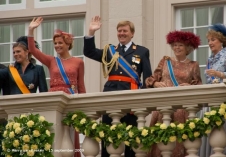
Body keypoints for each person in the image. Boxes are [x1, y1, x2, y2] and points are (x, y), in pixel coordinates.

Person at [83, 16, 152, 157]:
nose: (121, 33)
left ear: (132, 33)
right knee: (108, 136)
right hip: (111, 95)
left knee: (131, 140)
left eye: (125, 31)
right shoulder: (110, 51)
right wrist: (91, 33)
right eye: (119, 31)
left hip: (131, 96)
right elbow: (89, 52)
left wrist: (143, 101)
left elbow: (148, 79)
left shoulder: (141, 51)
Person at [27, 17, 85, 157]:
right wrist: (31, 30)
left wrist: (83, 108)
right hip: (53, 99)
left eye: (60, 43)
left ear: (68, 44)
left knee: (68, 133)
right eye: (55, 43)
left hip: (70, 99)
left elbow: (81, 86)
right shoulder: (51, 60)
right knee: (53, 132)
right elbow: (32, 50)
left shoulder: (78, 62)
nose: (57, 45)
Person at [145, 30, 202, 157]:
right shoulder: (165, 61)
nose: (177, 47)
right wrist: (155, 83)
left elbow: (199, 85)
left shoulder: (193, 65)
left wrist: (189, 86)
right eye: (175, 45)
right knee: (160, 144)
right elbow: (151, 79)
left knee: (178, 144)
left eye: (180, 45)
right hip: (162, 107)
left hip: (181, 110)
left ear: (187, 48)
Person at [203, 24, 226, 157]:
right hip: (211, 98)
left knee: (223, 131)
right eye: (209, 41)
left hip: (224, 99)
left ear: (221, 41)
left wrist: (219, 74)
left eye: (213, 40)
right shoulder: (210, 59)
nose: (210, 43)